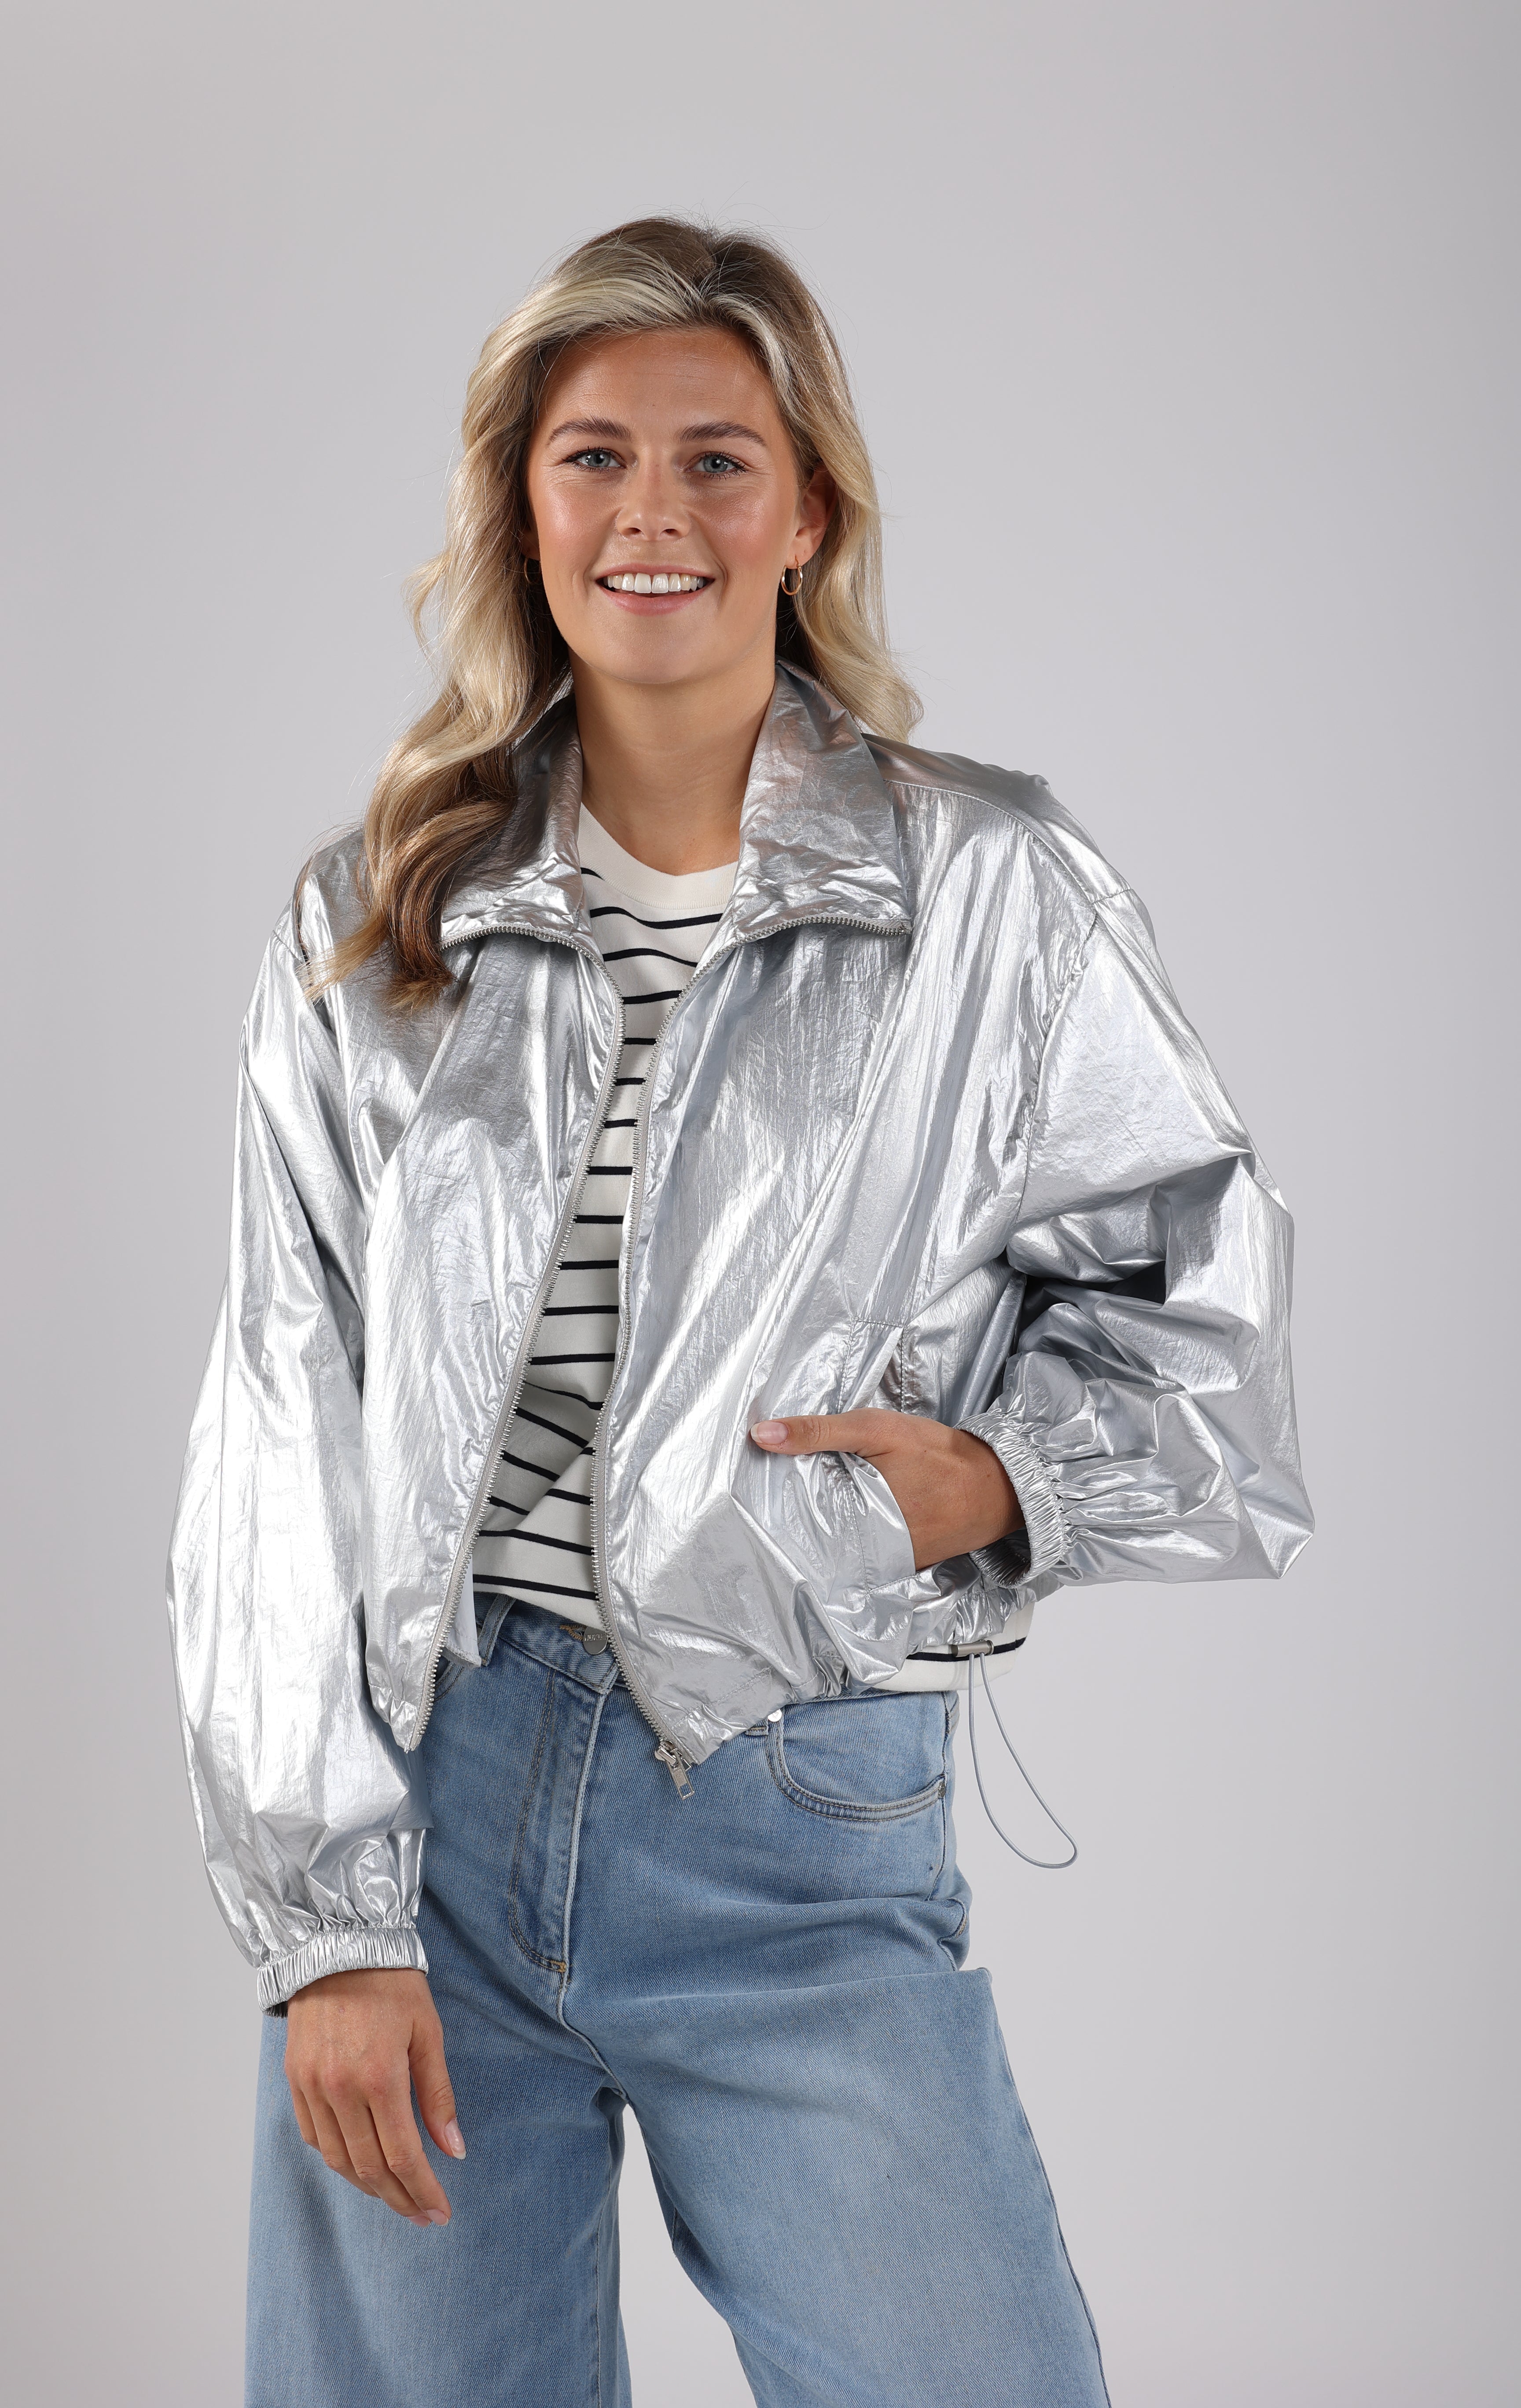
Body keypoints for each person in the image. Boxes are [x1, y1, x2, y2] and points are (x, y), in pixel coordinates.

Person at [167, 217, 1311, 2408]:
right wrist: (326, 1924)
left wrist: (991, 1481)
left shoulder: (987, 890)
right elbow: (278, 1429)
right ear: (523, 509)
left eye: (718, 459)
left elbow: (1211, 1325)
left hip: (797, 1810)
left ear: (809, 514)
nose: (654, 513)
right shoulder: (378, 920)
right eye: (594, 456)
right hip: (428, 1817)